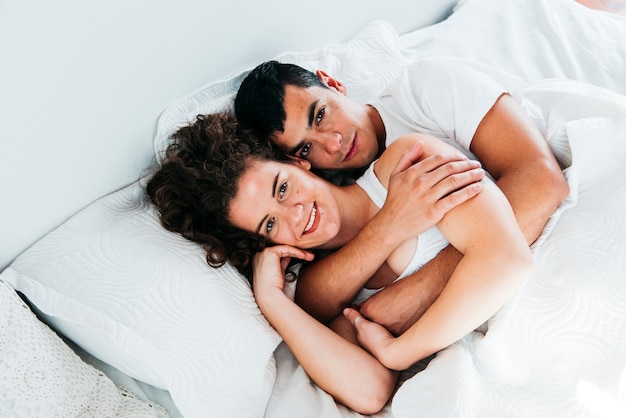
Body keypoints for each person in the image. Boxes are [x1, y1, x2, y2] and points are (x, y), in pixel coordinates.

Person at [146, 111, 533, 413]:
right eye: (270, 223)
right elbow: (368, 391)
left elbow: (507, 259)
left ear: (298, 163)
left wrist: (403, 351)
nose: (295, 214)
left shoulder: (405, 164)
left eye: (281, 188)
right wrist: (274, 302)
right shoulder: (331, 295)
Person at [234, 57, 570, 333]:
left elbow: (541, 180)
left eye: (321, 114)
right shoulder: (322, 206)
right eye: (307, 146)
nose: (332, 143)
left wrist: (417, 294)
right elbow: (314, 300)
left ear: (332, 83)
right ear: (298, 161)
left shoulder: (422, 90)